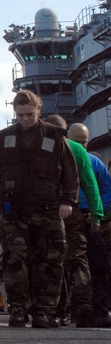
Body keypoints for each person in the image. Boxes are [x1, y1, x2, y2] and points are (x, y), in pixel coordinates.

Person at [0, 90, 78, 328]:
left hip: (48, 209)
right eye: (20, 115)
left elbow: (70, 171)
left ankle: (44, 311)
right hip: (14, 209)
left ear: (39, 109)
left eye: (29, 114)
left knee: (49, 260)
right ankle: (18, 308)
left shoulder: (55, 136)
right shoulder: (4, 138)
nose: (25, 119)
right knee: (15, 260)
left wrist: (68, 201)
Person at [45, 116, 104, 328]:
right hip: (68, 211)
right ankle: (79, 306)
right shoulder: (77, 150)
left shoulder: (43, 147)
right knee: (75, 259)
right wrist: (97, 213)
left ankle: (58, 310)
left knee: (54, 260)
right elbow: (90, 184)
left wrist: (96, 212)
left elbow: (91, 183)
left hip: (52, 212)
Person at [68, 123, 111, 327]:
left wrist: (99, 213)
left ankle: (100, 310)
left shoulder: (95, 163)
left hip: (91, 218)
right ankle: (73, 308)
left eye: (84, 142)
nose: (80, 147)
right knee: (70, 265)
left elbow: (106, 189)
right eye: (76, 142)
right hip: (67, 218)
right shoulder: (58, 161)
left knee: (99, 264)